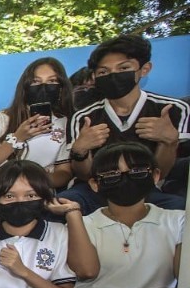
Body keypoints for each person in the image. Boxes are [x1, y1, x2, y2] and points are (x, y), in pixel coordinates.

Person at [56, 143, 183, 288]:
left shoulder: (179, 221)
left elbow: (184, 274)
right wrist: (73, 215)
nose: (126, 178)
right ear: (95, 183)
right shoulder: (84, 224)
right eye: (113, 173)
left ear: (155, 176)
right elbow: (86, 271)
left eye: (137, 171)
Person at [62, 34, 189, 213]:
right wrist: (80, 151)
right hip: (94, 191)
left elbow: (162, 172)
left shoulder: (172, 109)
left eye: (123, 68)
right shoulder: (83, 117)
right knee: (60, 205)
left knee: (180, 210)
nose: (113, 76)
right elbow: (86, 175)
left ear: (144, 69)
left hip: (144, 191)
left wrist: (168, 142)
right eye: (103, 72)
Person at [0, 58, 75, 193]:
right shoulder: (2, 119)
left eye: (52, 81)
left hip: (38, 191)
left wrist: (34, 180)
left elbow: (64, 172)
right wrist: (17, 138)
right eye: (36, 81)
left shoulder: (66, 123)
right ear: (26, 87)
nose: (43, 87)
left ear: (61, 88)